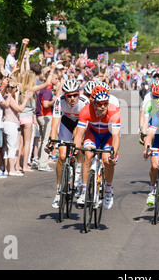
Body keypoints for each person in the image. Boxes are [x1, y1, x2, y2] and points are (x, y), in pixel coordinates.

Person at [73, 86, 121, 210]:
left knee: (106, 160)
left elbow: (116, 137)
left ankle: (108, 190)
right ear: (93, 103)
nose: (103, 107)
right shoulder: (85, 111)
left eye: (105, 103)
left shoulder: (114, 112)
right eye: (99, 104)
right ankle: (84, 191)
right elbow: (79, 135)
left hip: (108, 136)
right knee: (88, 155)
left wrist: (113, 153)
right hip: (93, 134)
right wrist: (76, 149)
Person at [47, 79, 89, 209]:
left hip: (80, 123)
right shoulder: (60, 101)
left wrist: (78, 138)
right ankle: (59, 191)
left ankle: (78, 172)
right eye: (69, 96)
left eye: (75, 95)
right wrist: (51, 141)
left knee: (80, 144)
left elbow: (83, 128)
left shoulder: (84, 102)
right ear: (65, 95)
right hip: (66, 122)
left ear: (79, 93)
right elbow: (54, 125)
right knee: (62, 156)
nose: (72, 98)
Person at [2, 75, 33, 176]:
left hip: (7, 123)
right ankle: (12, 169)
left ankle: (7, 169)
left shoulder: (7, 97)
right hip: (10, 123)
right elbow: (19, 109)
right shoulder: (8, 97)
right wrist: (26, 99)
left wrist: (17, 94)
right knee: (12, 147)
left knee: (7, 148)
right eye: (16, 88)